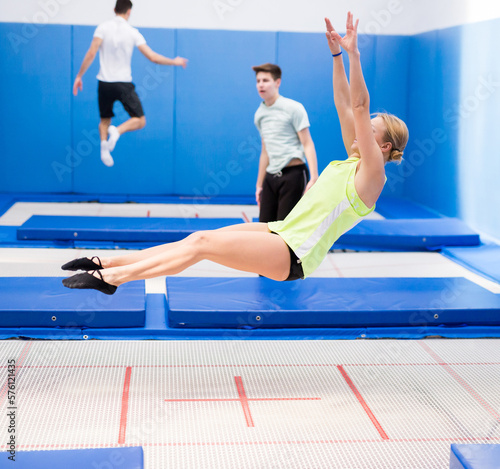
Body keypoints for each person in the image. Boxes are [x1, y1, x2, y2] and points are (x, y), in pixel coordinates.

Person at [62, 12, 409, 295]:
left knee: (202, 248)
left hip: (294, 254)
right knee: (197, 238)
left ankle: (112, 281)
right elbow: (345, 104)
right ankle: (106, 264)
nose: (360, 133)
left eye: (371, 131)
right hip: (280, 231)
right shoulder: (353, 160)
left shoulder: (371, 177)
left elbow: (360, 107)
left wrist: (354, 55)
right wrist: (336, 55)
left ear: (383, 147)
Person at [72, 0, 188, 167]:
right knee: (140, 120)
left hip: (104, 83)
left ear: (114, 9)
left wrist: (79, 76)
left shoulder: (102, 28)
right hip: (123, 84)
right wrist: (174, 61)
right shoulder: (133, 32)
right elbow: (153, 57)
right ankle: (117, 131)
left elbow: (91, 53)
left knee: (104, 120)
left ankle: (104, 148)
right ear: (129, 12)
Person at [253, 63, 319, 222]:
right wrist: (259, 184)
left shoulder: (294, 108)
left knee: (286, 229)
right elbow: (265, 151)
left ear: (277, 82)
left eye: (265, 80)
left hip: (293, 174)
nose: (261, 84)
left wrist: (315, 177)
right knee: (265, 228)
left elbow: (307, 143)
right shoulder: (259, 114)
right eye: (258, 80)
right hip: (270, 177)